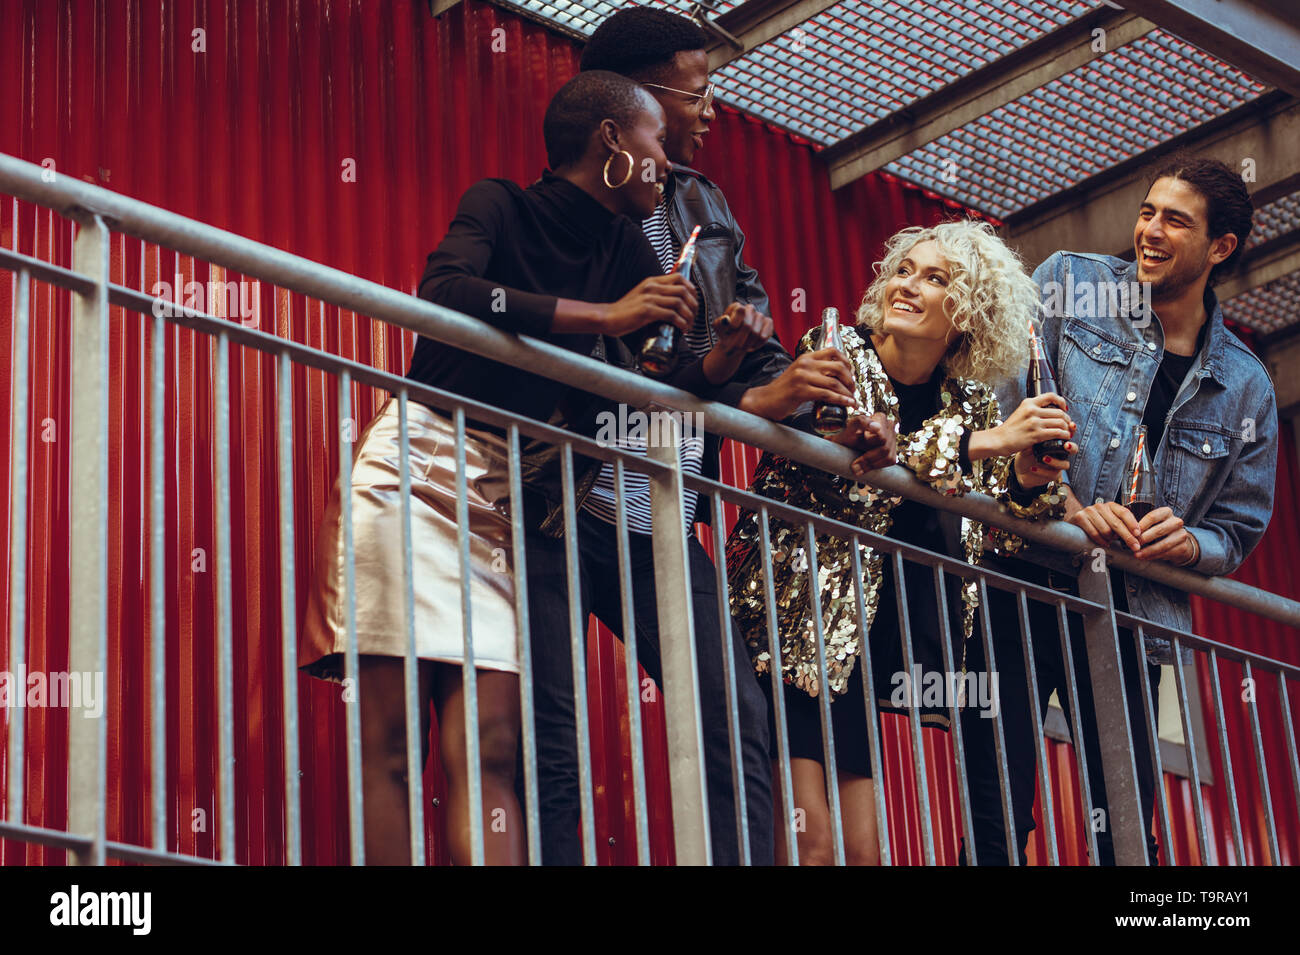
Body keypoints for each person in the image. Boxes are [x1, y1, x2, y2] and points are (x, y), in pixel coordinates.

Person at [299, 70, 701, 865]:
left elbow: (638, 390)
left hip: (508, 492)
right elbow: (447, 290)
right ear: (612, 141)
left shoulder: (625, 248)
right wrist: (607, 317)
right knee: (389, 743)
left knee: (490, 749)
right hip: (413, 467)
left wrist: (713, 360)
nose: (673, 161)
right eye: (659, 139)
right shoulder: (500, 203)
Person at [514, 7, 880, 866]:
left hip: (667, 516)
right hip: (568, 498)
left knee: (734, 718)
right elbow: (624, 355)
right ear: (635, 100)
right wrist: (752, 388)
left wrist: (825, 408)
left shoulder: (705, 202)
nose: (713, 107)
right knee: (551, 725)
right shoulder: (560, 208)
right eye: (699, 87)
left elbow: (754, 349)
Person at [726, 220, 1074, 865]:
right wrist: (985, 445)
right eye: (905, 270)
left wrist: (1028, 473)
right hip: (786, 622)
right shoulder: (836, 351)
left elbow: (1003, 513)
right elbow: (854, 479)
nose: (907, 285)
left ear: (967, 312)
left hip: (853, 644)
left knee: (864, 851)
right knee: (811, 844)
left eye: (935, 279)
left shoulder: (968, 400)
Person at [969, 154, 1279, 865]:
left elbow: (1235, 527)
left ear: (1220, 248)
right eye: (1148, 211)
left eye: (1176, 220)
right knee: (999, 807)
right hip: (1018, 578)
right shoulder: (1067, 283)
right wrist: (1067, 504)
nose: (1151, 230)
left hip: (1132, 612)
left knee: (1129, 825)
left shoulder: (1246, 384)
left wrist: (1190, 542)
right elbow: (997, 408)